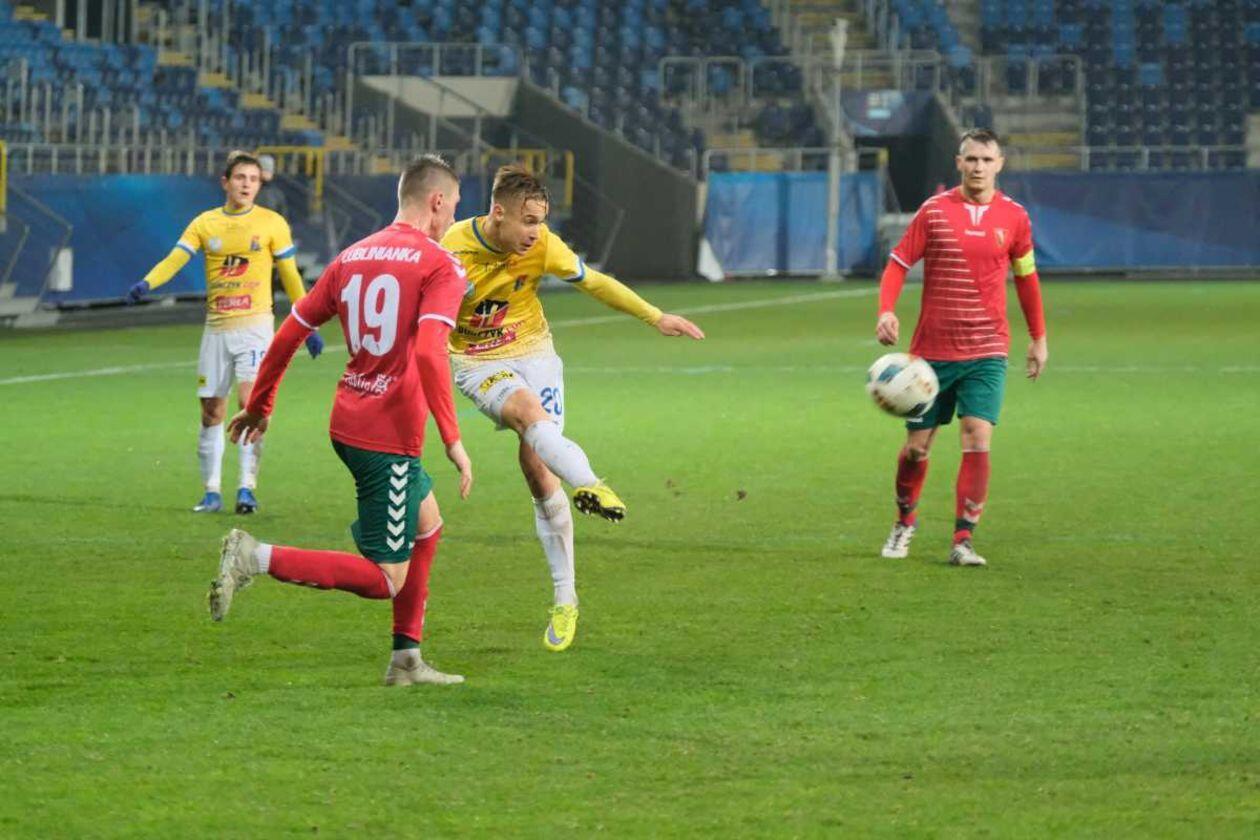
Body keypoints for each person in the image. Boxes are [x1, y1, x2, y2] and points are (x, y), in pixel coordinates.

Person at [210, 154, 474, 686]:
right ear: (436, 201)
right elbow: (430, 351)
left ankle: (406, 661)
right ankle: (254, 556)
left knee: (428, 527)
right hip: (387, 436)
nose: (452, 219)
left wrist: (261, 404)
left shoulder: (353, 255)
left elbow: (291, 330)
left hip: (350, 418)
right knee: (386, 578)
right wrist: (452, 437)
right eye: (453, 208)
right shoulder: (440, 265)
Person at [441, 164, 705, 652]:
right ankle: (591, 483)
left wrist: (655, 317)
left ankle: (566, 599)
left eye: (541, 221)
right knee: (529, 417)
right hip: (478, 361)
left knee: (538, 467)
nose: (535, 232)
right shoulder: (452, 248)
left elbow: (594, 282)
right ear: (498, 213)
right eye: (528, 221)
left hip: (536, 353)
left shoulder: (543, 245)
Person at [875, 128, 1048, 567]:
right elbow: (897, 264)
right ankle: (904, 521)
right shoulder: (934, 212)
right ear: (958, 163)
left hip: (987, 348)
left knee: (977, 437)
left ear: (999, 164)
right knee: (918, 449)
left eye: (987, 160)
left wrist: (1038, 337)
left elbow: (1026, 278)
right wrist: (886, 310)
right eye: (971, 159)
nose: (978, 167)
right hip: (931, 354)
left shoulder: (1015, 217)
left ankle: (963, 539)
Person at [129, 152, 324, 515]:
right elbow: (176, 258)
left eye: (253, 179)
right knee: (211, 412)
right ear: (226, 182)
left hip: (255, 328)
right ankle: (211, 492)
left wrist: (307, 324)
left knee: (251, 406)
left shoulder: (272, 223)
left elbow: (290, 276)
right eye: (240, 177)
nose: (247, 184)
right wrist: (147, 282)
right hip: (217, 330)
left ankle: (247, 488)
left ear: (259, 184)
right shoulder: (205, 223)